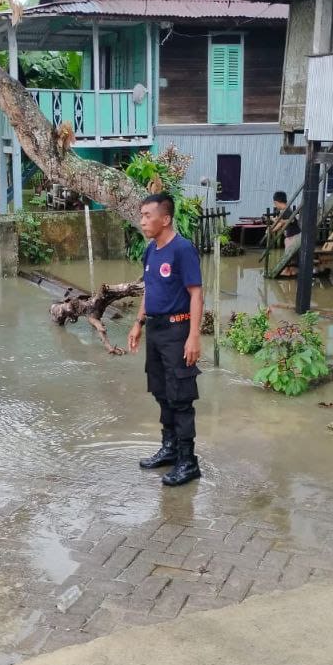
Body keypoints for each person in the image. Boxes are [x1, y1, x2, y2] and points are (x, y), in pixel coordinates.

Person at [127, 193, 204, 487]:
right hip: (156, 331)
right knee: (162, 392)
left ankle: (188, 462)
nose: (143, 220)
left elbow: (196, 294)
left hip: (178, 330)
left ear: (166, 218)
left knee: (181, 397)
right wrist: (138, 323)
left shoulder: (182, 250)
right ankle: (170, 449)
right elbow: (150, 289)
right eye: (142, 215)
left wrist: (193, 337)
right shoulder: (151, 251)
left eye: (148, 215)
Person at [270, 190, 302, 277]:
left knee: (288, 256)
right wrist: (272, 230)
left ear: (276, 202)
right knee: (292, 257)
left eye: (275, 203)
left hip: (293, 237)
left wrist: (277, 220)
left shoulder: (286, 210)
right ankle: (291, 271)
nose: (275, 205)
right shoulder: (285, 210)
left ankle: (287, 271)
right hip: (292, 236)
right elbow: (281, 224)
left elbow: (291, 220)